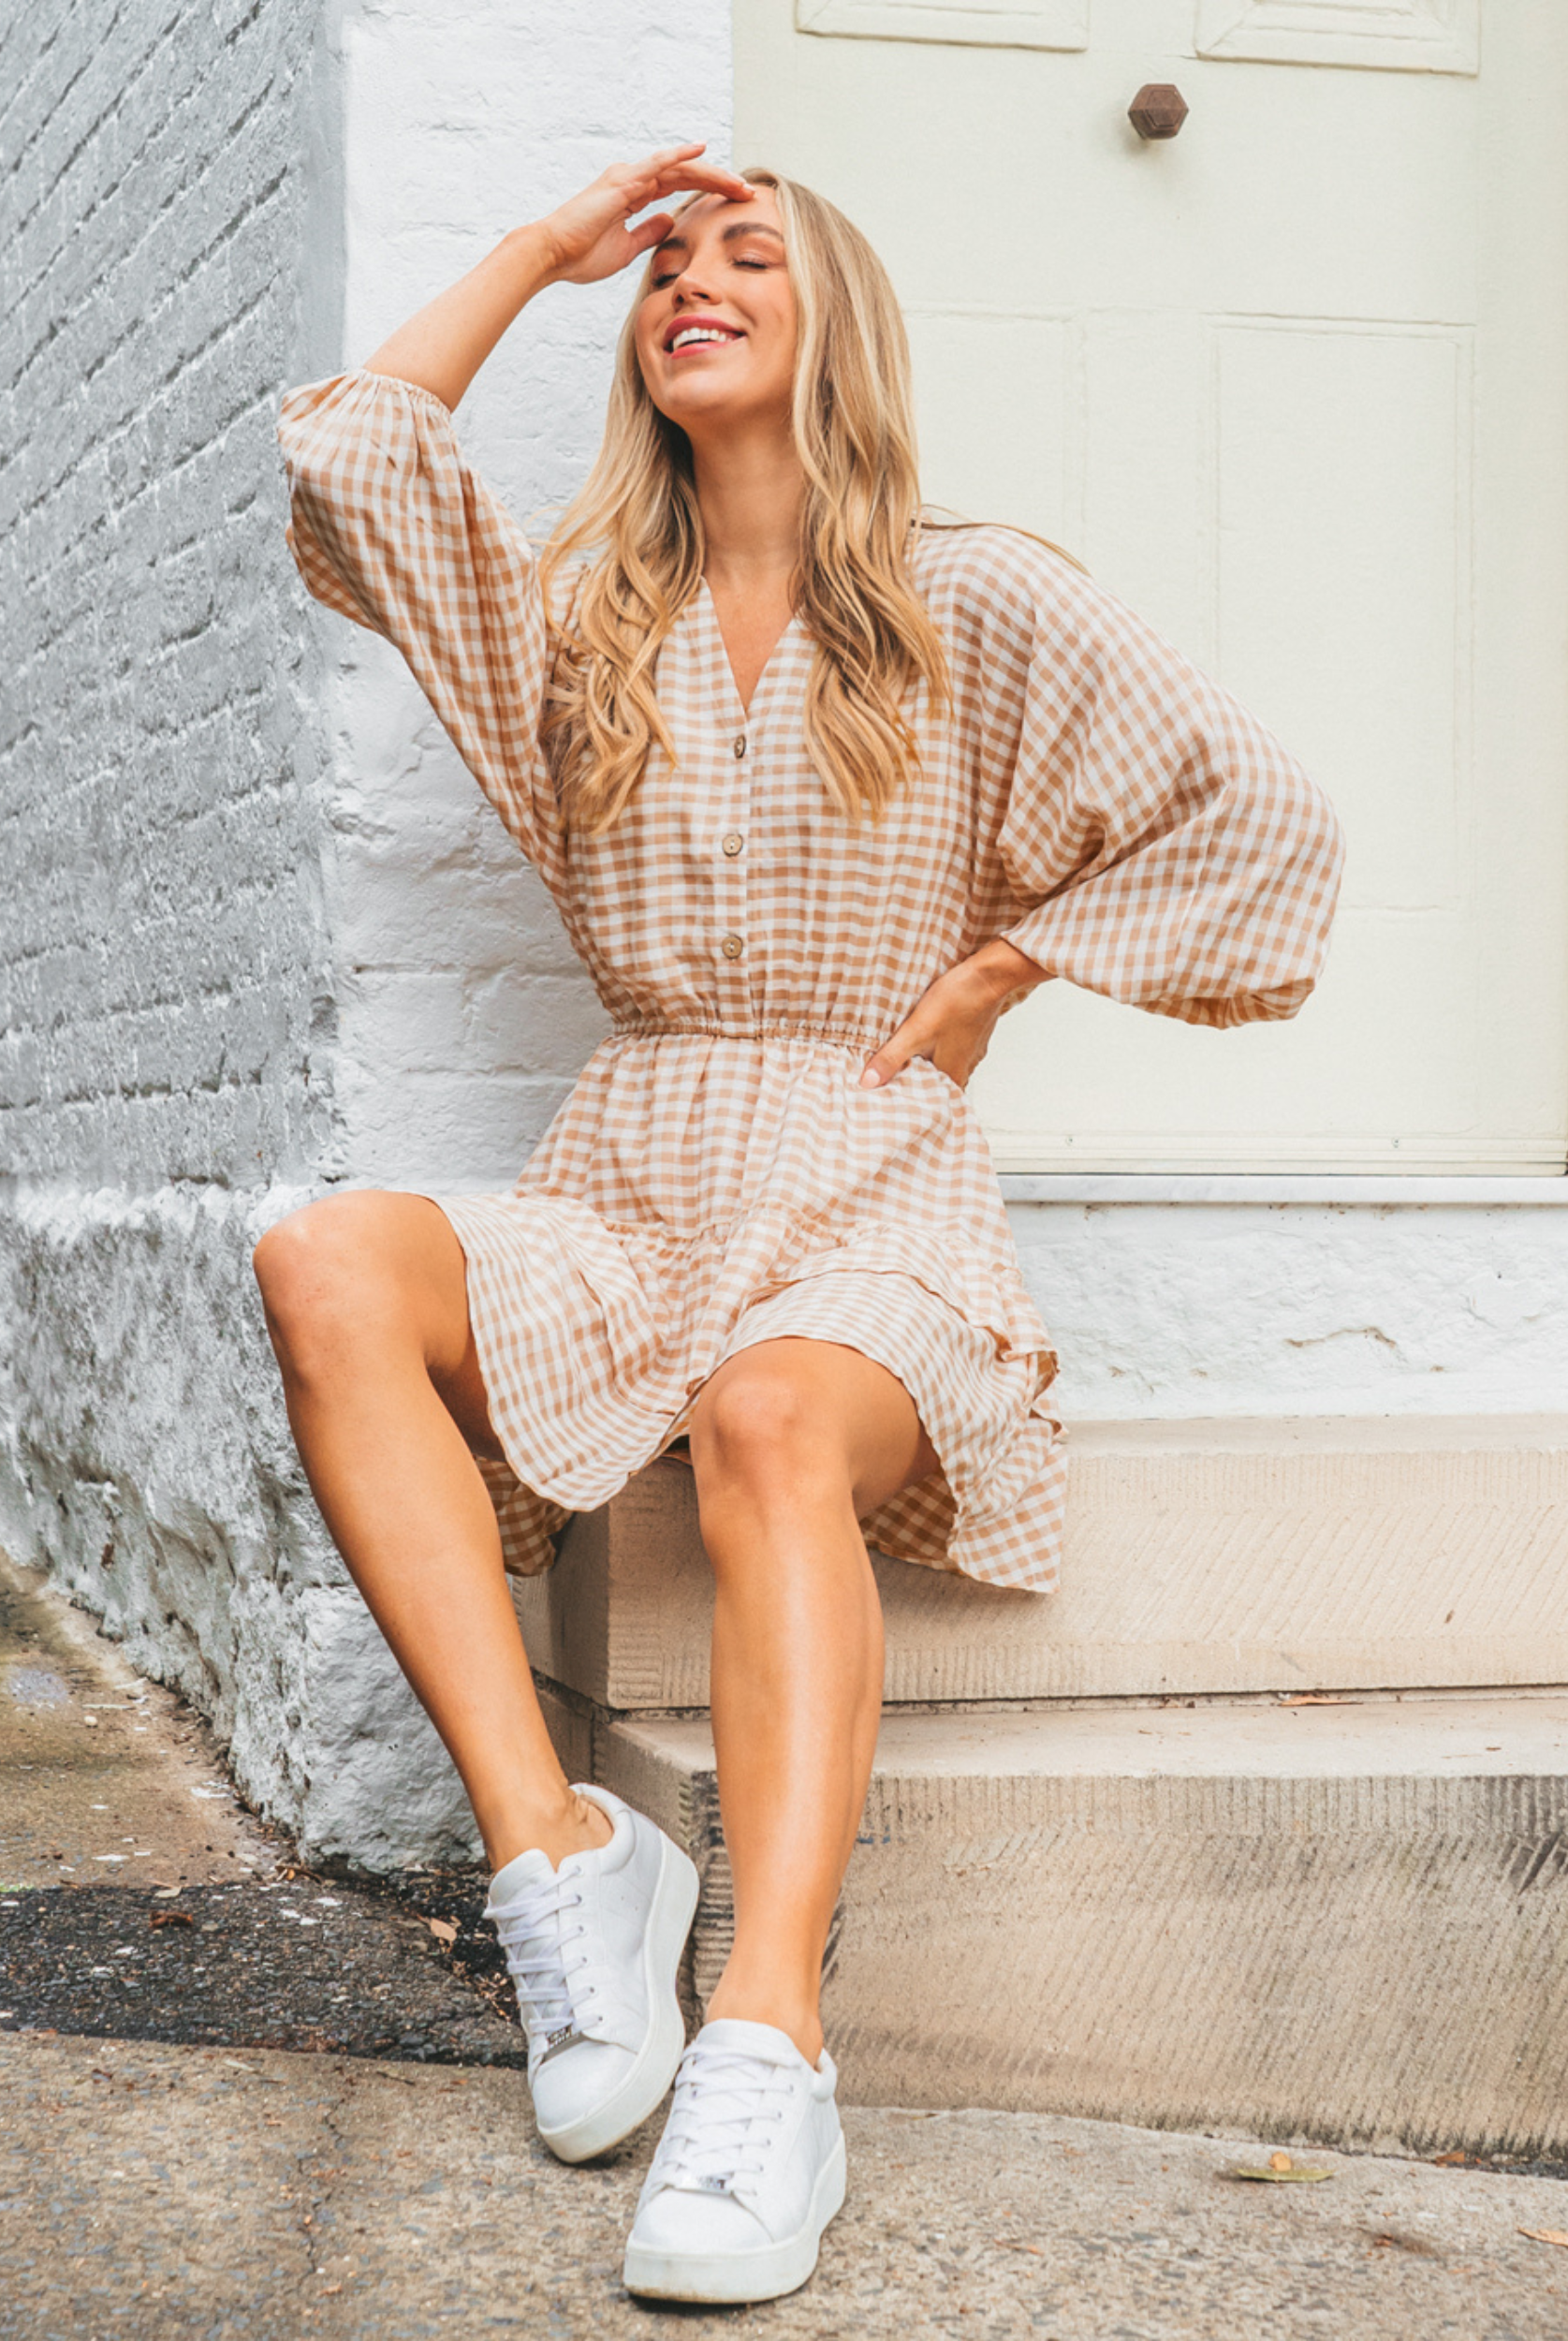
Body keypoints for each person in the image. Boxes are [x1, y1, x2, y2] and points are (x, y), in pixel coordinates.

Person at [261, 144, 1343, 2304]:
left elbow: (1269, 832)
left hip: (869, 1182)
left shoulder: (978, 599)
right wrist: (546, 249)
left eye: (750, 255)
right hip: (630, 1173)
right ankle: (563, 1863)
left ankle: (769, 2033)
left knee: (770, 1416)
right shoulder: (581, 618)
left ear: (837, 324)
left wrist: (1003, 967)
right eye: (666, 268)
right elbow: (354, 460)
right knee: (325, 1257)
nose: (694, 282)